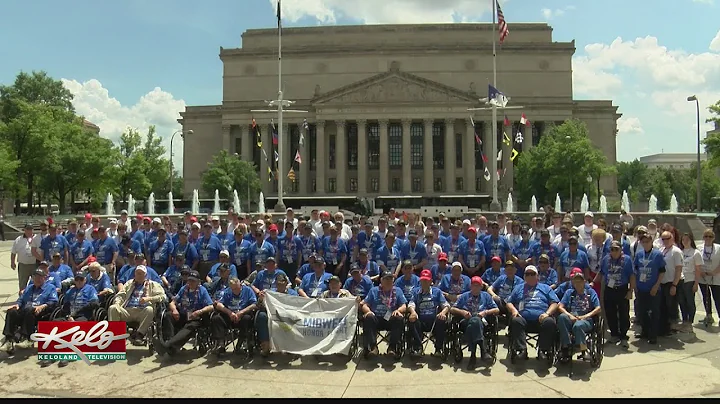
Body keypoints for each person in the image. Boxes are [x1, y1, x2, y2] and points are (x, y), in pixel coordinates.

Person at [506, 265, 559, 360]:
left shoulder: (546, 288)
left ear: (537, 276)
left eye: (532, 274)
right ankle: (522, 350)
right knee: (515, 321)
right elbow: (509, 302)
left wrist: (547, 313)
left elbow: (555, 303)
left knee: (550, 322)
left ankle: (543, 350)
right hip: (523, 318)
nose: (530, 276)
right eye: (527, 274)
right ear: (524, 277)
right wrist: (514, 310)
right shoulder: (518, 288)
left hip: (541, 318)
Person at [156, 269, 214, 356]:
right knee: (168, 315)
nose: (190, 282)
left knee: (189, 327)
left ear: (198, 282)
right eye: (189, 280)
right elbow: (172, 302)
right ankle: (171, 344)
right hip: (183, 314)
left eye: (193, 281)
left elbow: (211, 306)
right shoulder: (184, 289)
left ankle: (167, 345)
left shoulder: (202, 291)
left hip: (195, 317)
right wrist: (174, 310)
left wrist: (200, 311)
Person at [2, 269, 58, 354]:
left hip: (40, 312)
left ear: (44, 278)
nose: (37, 279)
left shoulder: (50, 288)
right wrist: (17, 305)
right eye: (35, 277)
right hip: (25, 311)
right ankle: (8, 340)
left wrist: (42, 306)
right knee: (11, 312)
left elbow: (53, 301)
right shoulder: (29, 288)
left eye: (40, 277)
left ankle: (27, 338)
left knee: (29, 310)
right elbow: (21, 300)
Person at [109, 265, 166, 344]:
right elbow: (120, 295)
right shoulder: (129, 283)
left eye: (141, 273)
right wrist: (117, 303)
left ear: (145, 275)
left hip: (142, 311)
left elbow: (162, 296)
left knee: (150, 309)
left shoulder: (153, 284)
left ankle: (139, 334)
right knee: (113, 308)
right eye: (137, 273)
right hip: (127, 310)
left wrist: (149, 298)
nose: (139, 275)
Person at [449, 276, 499, 367]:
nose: (475, 287)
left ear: (481, 287)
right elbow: (452, 309)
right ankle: (483, 351)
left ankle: (473, 356)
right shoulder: (464, 296)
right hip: (465, 321)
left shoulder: (486, 296)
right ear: (470, 286)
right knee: (474, 321)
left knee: (475, 322)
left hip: (483, 322)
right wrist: (462, 312)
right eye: (474, 285)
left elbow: (497, 310)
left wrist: (485, 312)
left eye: (478, 285)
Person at [594, 241, 634, 348]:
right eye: (612, 249)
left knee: (623, 313)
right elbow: (601, 273)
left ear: (621, 250)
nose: (614, 251)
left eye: (616, 249)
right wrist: (593, 282)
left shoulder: (627, 260)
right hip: (609, 289)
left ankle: (623, 336)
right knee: (610, 312)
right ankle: (614, 334)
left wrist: (631, 291)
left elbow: (632, 275)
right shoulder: (606, 259)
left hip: (622, 289)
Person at [557, 269, 602, 362]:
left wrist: (585, 317)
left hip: (586, 319)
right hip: (572, 317)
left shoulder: (590, 292)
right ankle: (566, 346)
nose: (578, 283)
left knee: (578, 326)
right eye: (575, 281)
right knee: (561, 317)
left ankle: (583, 349)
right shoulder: (569, 292)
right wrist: (569, 315)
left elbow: (598, 308)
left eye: (580, 281)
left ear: (584, 282)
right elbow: (560, 306)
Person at [360, 270, 408, 357]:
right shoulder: (374, 290)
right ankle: (373, 347)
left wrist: (398, 310)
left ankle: (392, 348)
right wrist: (368, 311)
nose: (388, 281)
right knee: (368, 318)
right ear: (381, 280)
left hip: (390, 318)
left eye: (390, 279)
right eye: (386, 279)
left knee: (399, 318)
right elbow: (364, 305)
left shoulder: (398, 290)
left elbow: (404, 305)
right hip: (376, 318)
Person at [407, 269, 449, 357]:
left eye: (426, 280)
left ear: (431, 281)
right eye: (422, 280)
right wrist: (413, 312)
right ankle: (418, 347)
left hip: (434, 320)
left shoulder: (437, 292)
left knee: (442, 321)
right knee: (412, 321)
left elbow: (446, 305)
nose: (424, 282)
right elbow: (411, 304)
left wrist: (443, 313)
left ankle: (438, 349)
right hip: (421, 320)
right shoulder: (416, 292)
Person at [211, 277, 257, 354]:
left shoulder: (248, 290)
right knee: (216, 318)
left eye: (237, 288)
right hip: (230, 316)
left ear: (240, 285)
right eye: (233, 289)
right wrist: (229, 312)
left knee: (247, 319)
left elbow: (254, 304)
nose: (235, 291)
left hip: (243, 315)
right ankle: (221, 344)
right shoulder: (227, 292)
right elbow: (219, 304)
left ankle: (241, 341)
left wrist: (241, 313)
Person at [633, 234, 666, 344]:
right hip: (641, 288)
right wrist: (635, 286)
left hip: (653, 289)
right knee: (642, 312)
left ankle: (653, 335)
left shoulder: (657, 255)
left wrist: (656, 286)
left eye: (648, 241)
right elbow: (636, 270)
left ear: (651, 242)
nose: (646, 244)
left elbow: (662, 271)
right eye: (643, 242)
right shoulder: (639, 254)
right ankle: (644, 331)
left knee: (654, 312)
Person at [255, 273, 298, 356]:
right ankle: (266, 346)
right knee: (261, 316)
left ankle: (289, 346)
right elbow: (259, 306)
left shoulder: (293, 293)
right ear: (275, 284)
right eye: (278, 284)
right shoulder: (269, 293)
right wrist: (261, 299)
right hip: (272, 315)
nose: (280, 286)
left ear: (286, 283)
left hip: (287, 316)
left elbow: (297, 307)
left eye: (282, 284)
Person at [657, 231, 684, 336]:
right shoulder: (661, 250)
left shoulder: (676, 251)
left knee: (672, 306)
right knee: (663, 306)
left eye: (667, 238)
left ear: (672, 238)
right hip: (662, 282)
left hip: (672, 282)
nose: (665, 241)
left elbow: (678, 269)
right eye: (663, 239)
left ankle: (673, 327)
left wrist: (674, 285)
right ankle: (664, 328)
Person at [679, 232, 702, 332]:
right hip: (681, 280)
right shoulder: (680, 251)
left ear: (691, 240)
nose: (685, 242)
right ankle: (684, 320)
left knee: (690, 302)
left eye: (687, 240)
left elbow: (698, 269)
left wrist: (696, 283)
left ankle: (690, 322)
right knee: (681, 301)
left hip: (690, 280)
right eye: (683, 240)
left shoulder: (695, 253)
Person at [698, 229, 720, 325]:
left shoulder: (718, 248)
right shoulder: (699, 248)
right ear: (703, 237)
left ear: (713, 238)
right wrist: (700, 272)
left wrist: (715, 272)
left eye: (710, 236)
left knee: (717, 298)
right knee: (706, 297)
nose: (708, 238)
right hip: (703, 276)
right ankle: (708, 315)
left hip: (716, 277)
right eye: (706, 236)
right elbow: (696, 261)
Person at [11, 223, 38, 293]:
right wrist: (12, 262)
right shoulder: (18, 239)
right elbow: (13, 252)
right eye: (27, 229)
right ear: (24, 230)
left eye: (30, 229)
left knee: (36, 283)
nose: (29, 231)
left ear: (33, 230)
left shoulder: (37, 238)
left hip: (34, 265)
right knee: (22, 284)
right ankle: (22, 299)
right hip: (23, 265)